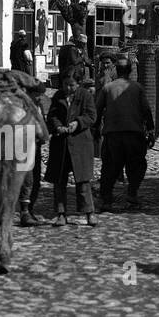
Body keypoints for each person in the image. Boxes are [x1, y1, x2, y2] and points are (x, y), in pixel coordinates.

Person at [96, 56, 155, 212]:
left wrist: (95, 129)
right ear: (130, 71)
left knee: (109, 168)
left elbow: (97, 109)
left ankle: (107, 200)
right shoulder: (137, 88)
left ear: (117, 70)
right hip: (134, 134)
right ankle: (132, 192)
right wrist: (150, 130)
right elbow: (146, 110)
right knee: (137, 166)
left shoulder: (107, 88)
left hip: (113, 135)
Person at [46, 69, 98, 227]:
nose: (68, 88)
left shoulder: (85, 96)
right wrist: (58, 126)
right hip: (61, 144)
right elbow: (52, 116)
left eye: (72, 85)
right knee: (59, 180)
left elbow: (91, 116)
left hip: (80, 143)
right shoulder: (58, 96)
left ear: (79, 84)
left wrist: (78, 123)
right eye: (66, 85)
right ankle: (61, 214)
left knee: (83, 180)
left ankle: (89, 213)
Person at [17, 74, 51, 227]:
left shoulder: (37, 105)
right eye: (37, 95)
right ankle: (24, 212)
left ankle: (29, 210)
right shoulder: (21, 106)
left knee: (36, 180)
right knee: (28, 180)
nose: (39, 98)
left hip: (35, 145)